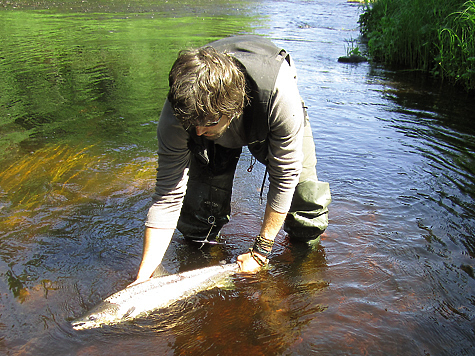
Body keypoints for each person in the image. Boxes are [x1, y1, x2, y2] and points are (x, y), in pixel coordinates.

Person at [133, 35, 331, 282]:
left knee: (306, 204)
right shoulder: (181, 112)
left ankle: (302, 273)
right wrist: (144, 276)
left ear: (233, 111)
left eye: (206, 124)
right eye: (190, 125)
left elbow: (284, 177)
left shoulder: (279, 95)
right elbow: (167, 196)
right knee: (197, 220)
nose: (197, 132)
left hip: (265, 116)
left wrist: (261, 249)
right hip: (210, 113)